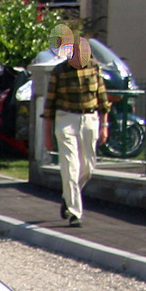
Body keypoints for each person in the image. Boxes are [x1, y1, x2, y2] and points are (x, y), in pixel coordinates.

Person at [44, 27, 110, 227]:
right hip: (66, 119)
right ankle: (75, 212)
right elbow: (49, 105)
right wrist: (47, 134)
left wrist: (104, 125)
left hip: (90, 119)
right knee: (70, 167)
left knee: (87, 168)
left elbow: (103, 100)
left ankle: (68, 195)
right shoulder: (59, 72)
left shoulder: (94, 68)